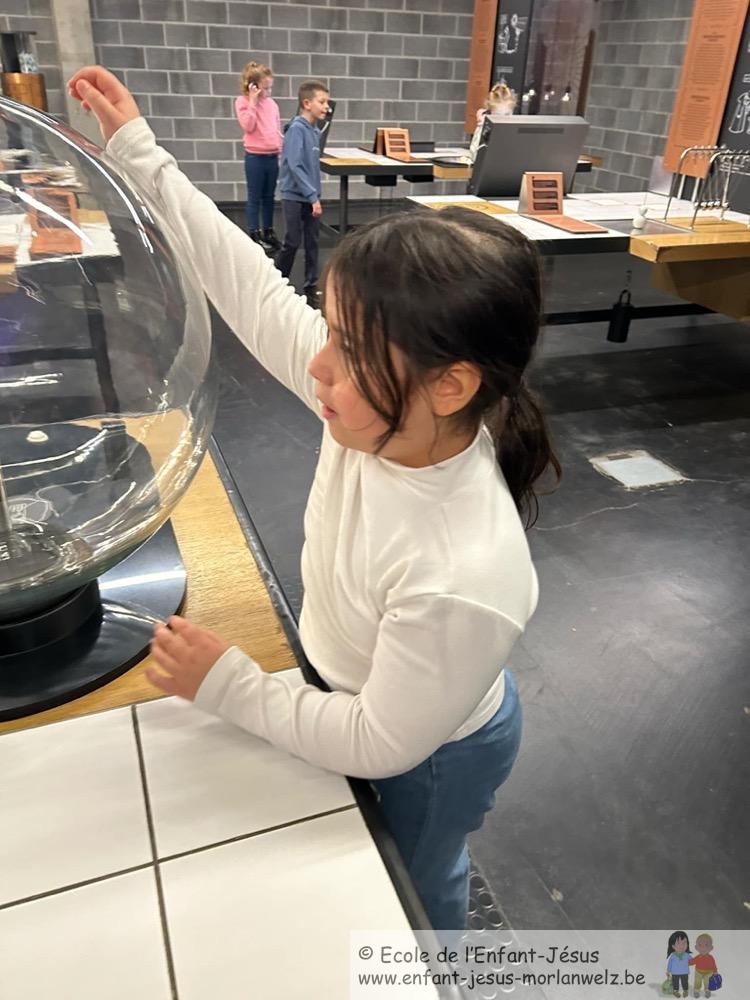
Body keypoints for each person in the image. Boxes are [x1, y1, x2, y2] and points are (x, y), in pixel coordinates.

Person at [67, 65, 561, 933]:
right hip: (361, 689)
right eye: (328, 329)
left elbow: (380, 741)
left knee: (417, 888)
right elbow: (252, 288)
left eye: (350, 348)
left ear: (449, 385)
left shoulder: (462, 573)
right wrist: (141, 152)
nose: (319, 365)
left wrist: (229, 684)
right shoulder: (381, 413)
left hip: (431, 756)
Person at [275, 80, 329, 308]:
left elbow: (312, 168)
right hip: (294, 195)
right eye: (322, 102)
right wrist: (312, 196)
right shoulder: (296, 129)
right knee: (293, 241)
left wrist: (316, 194)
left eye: (327, 102)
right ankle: (277, 281)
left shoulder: (315, 132)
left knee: (312, 242)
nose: (326, 107)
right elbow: (295, 166)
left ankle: (311, 283)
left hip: (310, 196)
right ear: (307, 104)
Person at [235, 60, 282, 253]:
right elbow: (248, 125)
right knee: (254, 197)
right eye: (265, 88)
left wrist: (281, 151)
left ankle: (268, 231)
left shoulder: (272, 105)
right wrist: (253, 103)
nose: (269, 92)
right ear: (253, 86)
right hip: (255, 158)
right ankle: (254, 234)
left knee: (269, 197)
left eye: (270, 87)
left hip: (272, 157)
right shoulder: (242, 102)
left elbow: (277, 129)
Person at [469, 82, 516, 164]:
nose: (503, 119)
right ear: (489, 112)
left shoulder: (515, 129)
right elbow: (474, 156)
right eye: (497, 115)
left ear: (512, 111)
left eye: (507, 114)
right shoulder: (484, 127)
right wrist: (482, 131)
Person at [688, 933, 718, 998]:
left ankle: (707, 990)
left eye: (706, 945)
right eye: (700, 945)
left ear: (711, 948)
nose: (703, 948)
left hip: (708, 972)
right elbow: (692, 962)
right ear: (696, 947)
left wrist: (715, 971)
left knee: (707, 982)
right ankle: (696, 990)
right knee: (697, 981)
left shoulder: (711, 958)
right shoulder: (698, 957)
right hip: (698, 972)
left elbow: (713, 965)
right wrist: (685, 963)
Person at [666, 932, 692, 999]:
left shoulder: (687, 955)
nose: (682, 945)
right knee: (675, 983)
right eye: (678, 943)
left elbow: (692, 961)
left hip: (684, 972)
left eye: (684, 943)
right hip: (675, 972)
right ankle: (675, 991)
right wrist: (668, 971)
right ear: (673, 946)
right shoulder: (673, 956)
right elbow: (670, 964)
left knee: (685, 982)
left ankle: (685, 991)